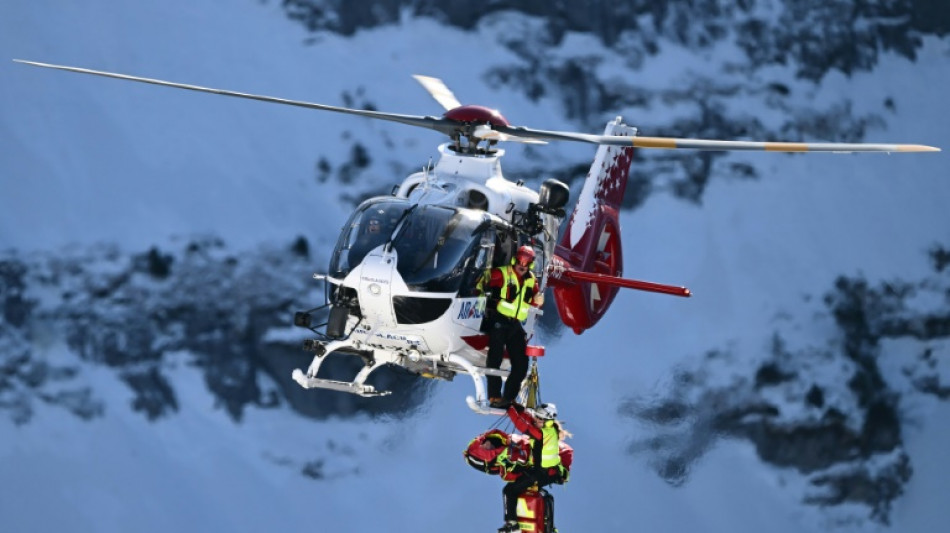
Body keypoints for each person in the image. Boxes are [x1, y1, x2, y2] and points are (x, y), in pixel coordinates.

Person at [479, 245, 542, 409]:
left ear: (531, 265)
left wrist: (538, 300)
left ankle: (509, 398)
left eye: (526, 263)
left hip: (516, 325)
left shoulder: (531, 280)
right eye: (520, 261)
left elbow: (533, 300)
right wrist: (479, 294)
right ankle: (494, 396)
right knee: (495, 357)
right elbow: (483, 280)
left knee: (521, 364)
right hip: (500, 320)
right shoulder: (502, 273)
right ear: (514, 260)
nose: (522, 265)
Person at [497, 402, 570, 533]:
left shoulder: (541, 433)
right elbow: (530, 420)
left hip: (541, 473)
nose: (536, 419)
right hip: (548, 472)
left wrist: (510, 409)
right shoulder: (550, 428)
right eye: (537, 416)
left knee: (510, 490)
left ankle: (512, 524)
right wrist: (520, 410)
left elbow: (523, 426)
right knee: (517, 477)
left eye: (540, 418)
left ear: (547, 420)